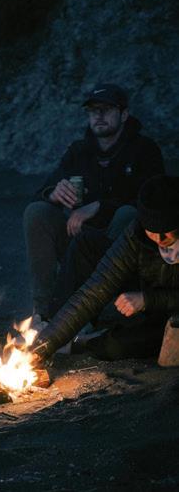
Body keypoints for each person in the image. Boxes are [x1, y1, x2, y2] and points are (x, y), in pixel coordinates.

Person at [23, 84, 164, 325]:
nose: (98, 115)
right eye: (93, 110)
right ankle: (43, 313)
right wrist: (53, 193)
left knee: (127, 214)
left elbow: (156, 204)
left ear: (124, 114)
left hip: (120, 250)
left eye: (106, 109)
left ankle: (105, 308)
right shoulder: (79, 152)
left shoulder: (144, 150)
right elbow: (42, 192)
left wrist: (100, 206)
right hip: (77, 244)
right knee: (37, 211)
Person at [31, 175, 179, 365]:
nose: (160, 239)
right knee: (86, 247)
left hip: (169, 310)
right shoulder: (137, 235)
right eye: (153, 232)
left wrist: (148, 299)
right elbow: (94, 291)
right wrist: (44, 345)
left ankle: (85, 342)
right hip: (150, 294)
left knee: (120, 345)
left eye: (167, 232)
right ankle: (57, 333)